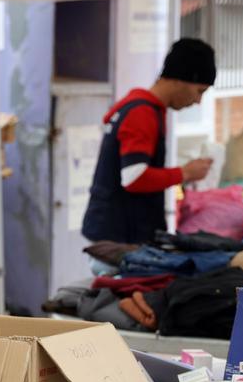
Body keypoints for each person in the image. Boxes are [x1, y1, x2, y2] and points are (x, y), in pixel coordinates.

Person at [82, 38, 217, 248]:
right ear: (181, 79)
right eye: (200, 91)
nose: (198, 101)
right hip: (120, 238)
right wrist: (185, 173)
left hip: (118, 231)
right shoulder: (141, 113)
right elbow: (134, 177)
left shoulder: (144, 108)